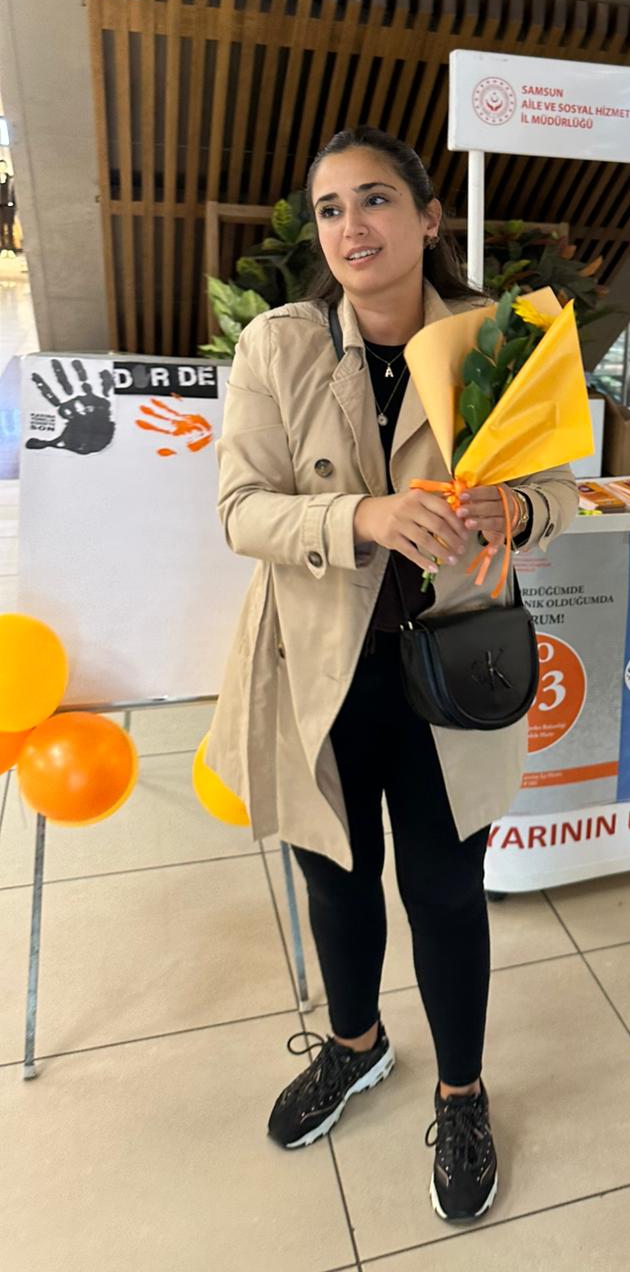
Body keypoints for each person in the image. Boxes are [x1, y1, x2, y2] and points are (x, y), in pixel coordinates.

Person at [207, 126, 577, 1223]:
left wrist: (517, 508)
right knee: (335, 873)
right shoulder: (280, 346)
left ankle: (462, 1094)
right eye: (330, 209)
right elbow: (240, 510)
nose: (351, 226)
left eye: (374, 199)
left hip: (448, 668)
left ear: (427, 217)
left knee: (447, 889)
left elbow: (561, 488)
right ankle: (356, 1043)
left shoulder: (496, 340)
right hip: (316, 667)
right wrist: (361, 516)